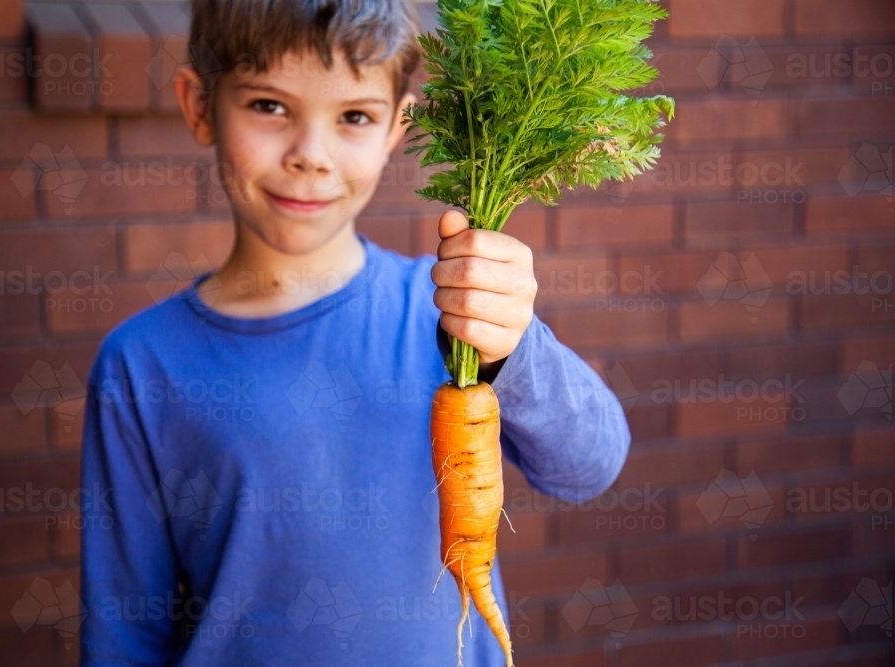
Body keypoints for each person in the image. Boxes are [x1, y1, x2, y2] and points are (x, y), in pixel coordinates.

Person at [79, 1, 631, 665]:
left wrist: (516, 345)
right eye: (269, 106)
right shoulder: (141, 366)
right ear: (200, 105)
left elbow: (591, 464)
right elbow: (122, 629)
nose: (311, 155)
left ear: (400, 125)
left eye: (353, 116)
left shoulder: (450, 315)